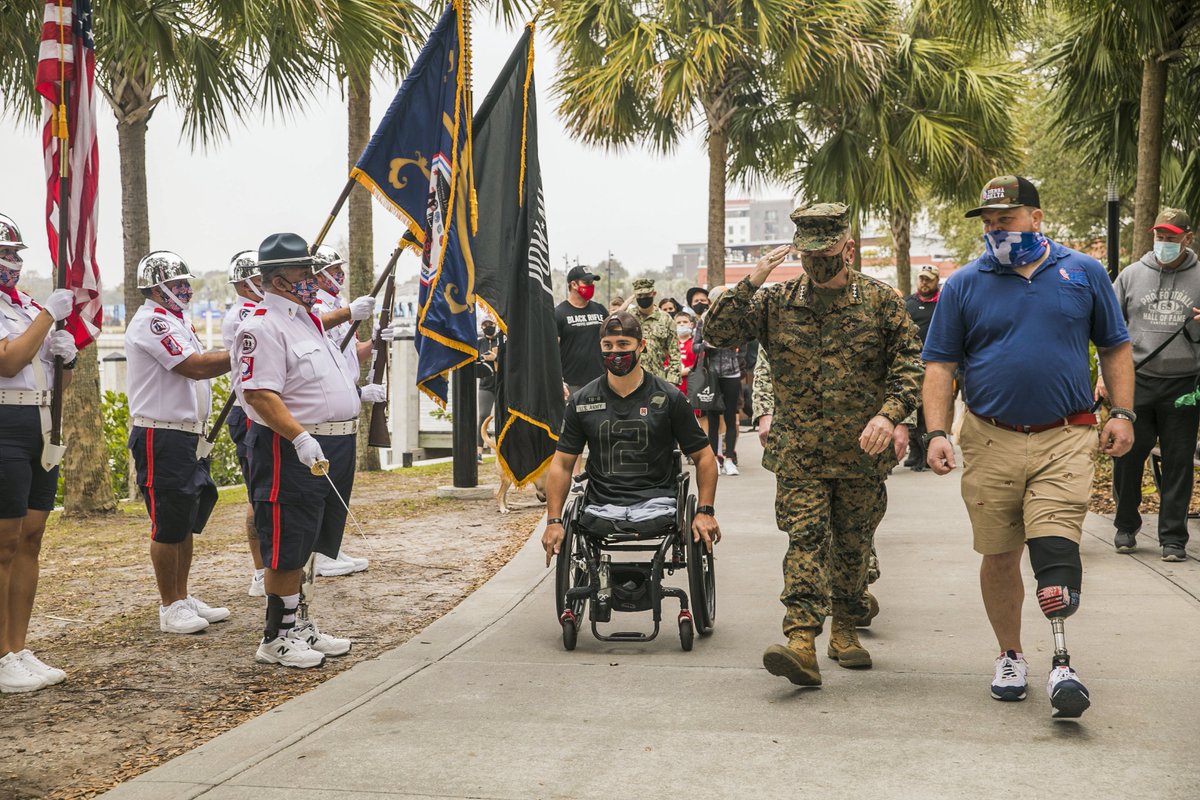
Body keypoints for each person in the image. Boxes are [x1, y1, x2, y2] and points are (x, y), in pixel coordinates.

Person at [922, 175, 1134, 719]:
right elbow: (940, 365)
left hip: (1066, 433)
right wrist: (938, 431)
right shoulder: (964, 284)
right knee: (999, 555)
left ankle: (1062, 660)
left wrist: (1124, 413)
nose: (996, 230)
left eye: (1007, 219)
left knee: (1054, 547)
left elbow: (1115, 347)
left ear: (1036, 218)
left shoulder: (1082, 273)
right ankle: (1011, 654)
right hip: (990, 437)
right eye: (990, 222)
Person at [704, 202, 922, 687]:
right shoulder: (774, 301)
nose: (816, 263)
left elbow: (910, 366)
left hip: (862, 454)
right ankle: (801, 640)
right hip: (799, 452)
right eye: (807, 254)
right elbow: (716, 334)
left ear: (847, 247)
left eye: (825, 252)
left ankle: (845, 630)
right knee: (805, 540)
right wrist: (750, 281)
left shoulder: (881, 301)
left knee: (852, 545)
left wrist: (890, 416)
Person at [234, 232, 384, 668]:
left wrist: (359, 396)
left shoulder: (307, 319)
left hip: (331, 442)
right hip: (292, 445)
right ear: (278, 280)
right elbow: (260, 393)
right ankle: (275, 638)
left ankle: (298, 624)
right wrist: (299, 437)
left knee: (312, 538)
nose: (313, 279)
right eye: (304, 272)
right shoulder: (262, 325)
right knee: (287, 539)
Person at [541, 311, 720, 565]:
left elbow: (704, 457)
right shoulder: (581, 402)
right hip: (601, 503)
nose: (615, 353)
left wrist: (704, 511)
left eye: (623, 344)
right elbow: (562, 464)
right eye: (608, 346)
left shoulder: (670, 398)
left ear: (641, 346)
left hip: (659, 502)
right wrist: (554, 521)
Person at [125, 250, 232, 635]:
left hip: (185, 434)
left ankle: (182, 596)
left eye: (187, 283)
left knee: (186, 519)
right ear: (155, 289)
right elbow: (193, 366)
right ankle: (169, 605)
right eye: (177, 284)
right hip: (161, 433)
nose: (185, 289)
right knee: (168, 521)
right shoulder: (153, 323)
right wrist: (245, 350)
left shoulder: (177, 321)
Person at [0, 214, 76, 692]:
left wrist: (65, 357)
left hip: (40, 420)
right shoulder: (34, 310)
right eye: (7, 254)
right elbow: (9, 361)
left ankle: (17, 645)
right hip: (4, 422)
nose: (16, 262)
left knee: (31, 537)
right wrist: (49, 316)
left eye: (16, 253)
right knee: (3, 542)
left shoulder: (24, 305)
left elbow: (52, 378)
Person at [1101, 207, 1200, 561]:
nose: (1164, 243)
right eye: (1160, 237)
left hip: (1184, 385)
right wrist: (1103, 378)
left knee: (1178, 464)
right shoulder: (1130, 276)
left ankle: (1173, 538)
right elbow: (1109, 333)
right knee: (1127, 457)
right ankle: (1126, 525)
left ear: (1187, 238)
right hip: (1136, 382)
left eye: (1172, 238)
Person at [308, 245, 373, 578]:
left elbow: (346, 354)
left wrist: (375, 344)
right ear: (316, 275)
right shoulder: (318, 306)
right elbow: (315, 327)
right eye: (332, 270)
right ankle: (319, 552)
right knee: (324, 488)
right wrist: (349, 312)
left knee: (340, 487)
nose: (339, 275)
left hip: (345, 408)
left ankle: (330, 547)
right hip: (323, 416)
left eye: (339, 269)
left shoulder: (336, 306)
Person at [221, 250, 269, 597]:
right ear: (243, 282)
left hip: (268, 410)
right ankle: (260, 570)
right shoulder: (243, 315)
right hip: (249, 411)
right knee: (259, 495)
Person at [693, 286, 743, 475]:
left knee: (730, 416)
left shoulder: (735, 319)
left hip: (732, 372)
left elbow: (743, 341)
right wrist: (707, 345)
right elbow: (694, 347)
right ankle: (715, 457)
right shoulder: (704, 320)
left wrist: (731, 343)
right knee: (713, 418)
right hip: (711, 375)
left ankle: (730, 458)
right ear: (712, 301)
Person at [903, 265, 942, 471]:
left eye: (929, 280)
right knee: (912, 408)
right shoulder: (908, 303)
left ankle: (928, 451)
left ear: (937, 281)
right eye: (922, 279)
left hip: (934, 364)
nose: (924, 283)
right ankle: (915, 450)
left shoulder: (943, 304)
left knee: (928, 410)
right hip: (911, 363)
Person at [556, 265, 608, 396]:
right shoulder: (559, 313)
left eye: (592, 283)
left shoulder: (600, 310)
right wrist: (558, 381)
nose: (591, 286)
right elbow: (552, 350)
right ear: (573, 284)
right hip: (570, 385)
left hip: (599, 382)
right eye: (587, 282)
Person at [628, 278, 681, 386]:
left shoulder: (666, 319)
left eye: (647, 294)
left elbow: (674, 352)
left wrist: (672, 381)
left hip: (657, 379)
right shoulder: (628, 318)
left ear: (654, 293)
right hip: (631, 379)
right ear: (635, 296)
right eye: (640, 296)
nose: (643, 298)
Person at [477, 314, 504, 456]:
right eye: (485, 325)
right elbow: (474, 360)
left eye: (490, 324)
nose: (488, 327)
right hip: (485, 384)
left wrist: (496, 357)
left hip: (501, 383)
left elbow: (510, 360)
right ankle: (479, 451)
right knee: (483, 415)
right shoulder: (479, 343)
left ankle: (501, 447)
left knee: (501, 415)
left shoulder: (501, 340)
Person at [674, 311, 696, 396]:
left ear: (691, 324)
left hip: (693, 386)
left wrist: (684, 371)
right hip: (674, 387)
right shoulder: (670, 344)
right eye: (678, 322)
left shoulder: (696, 344)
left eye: (685, 322)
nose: (682, 324)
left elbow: (700, 364)